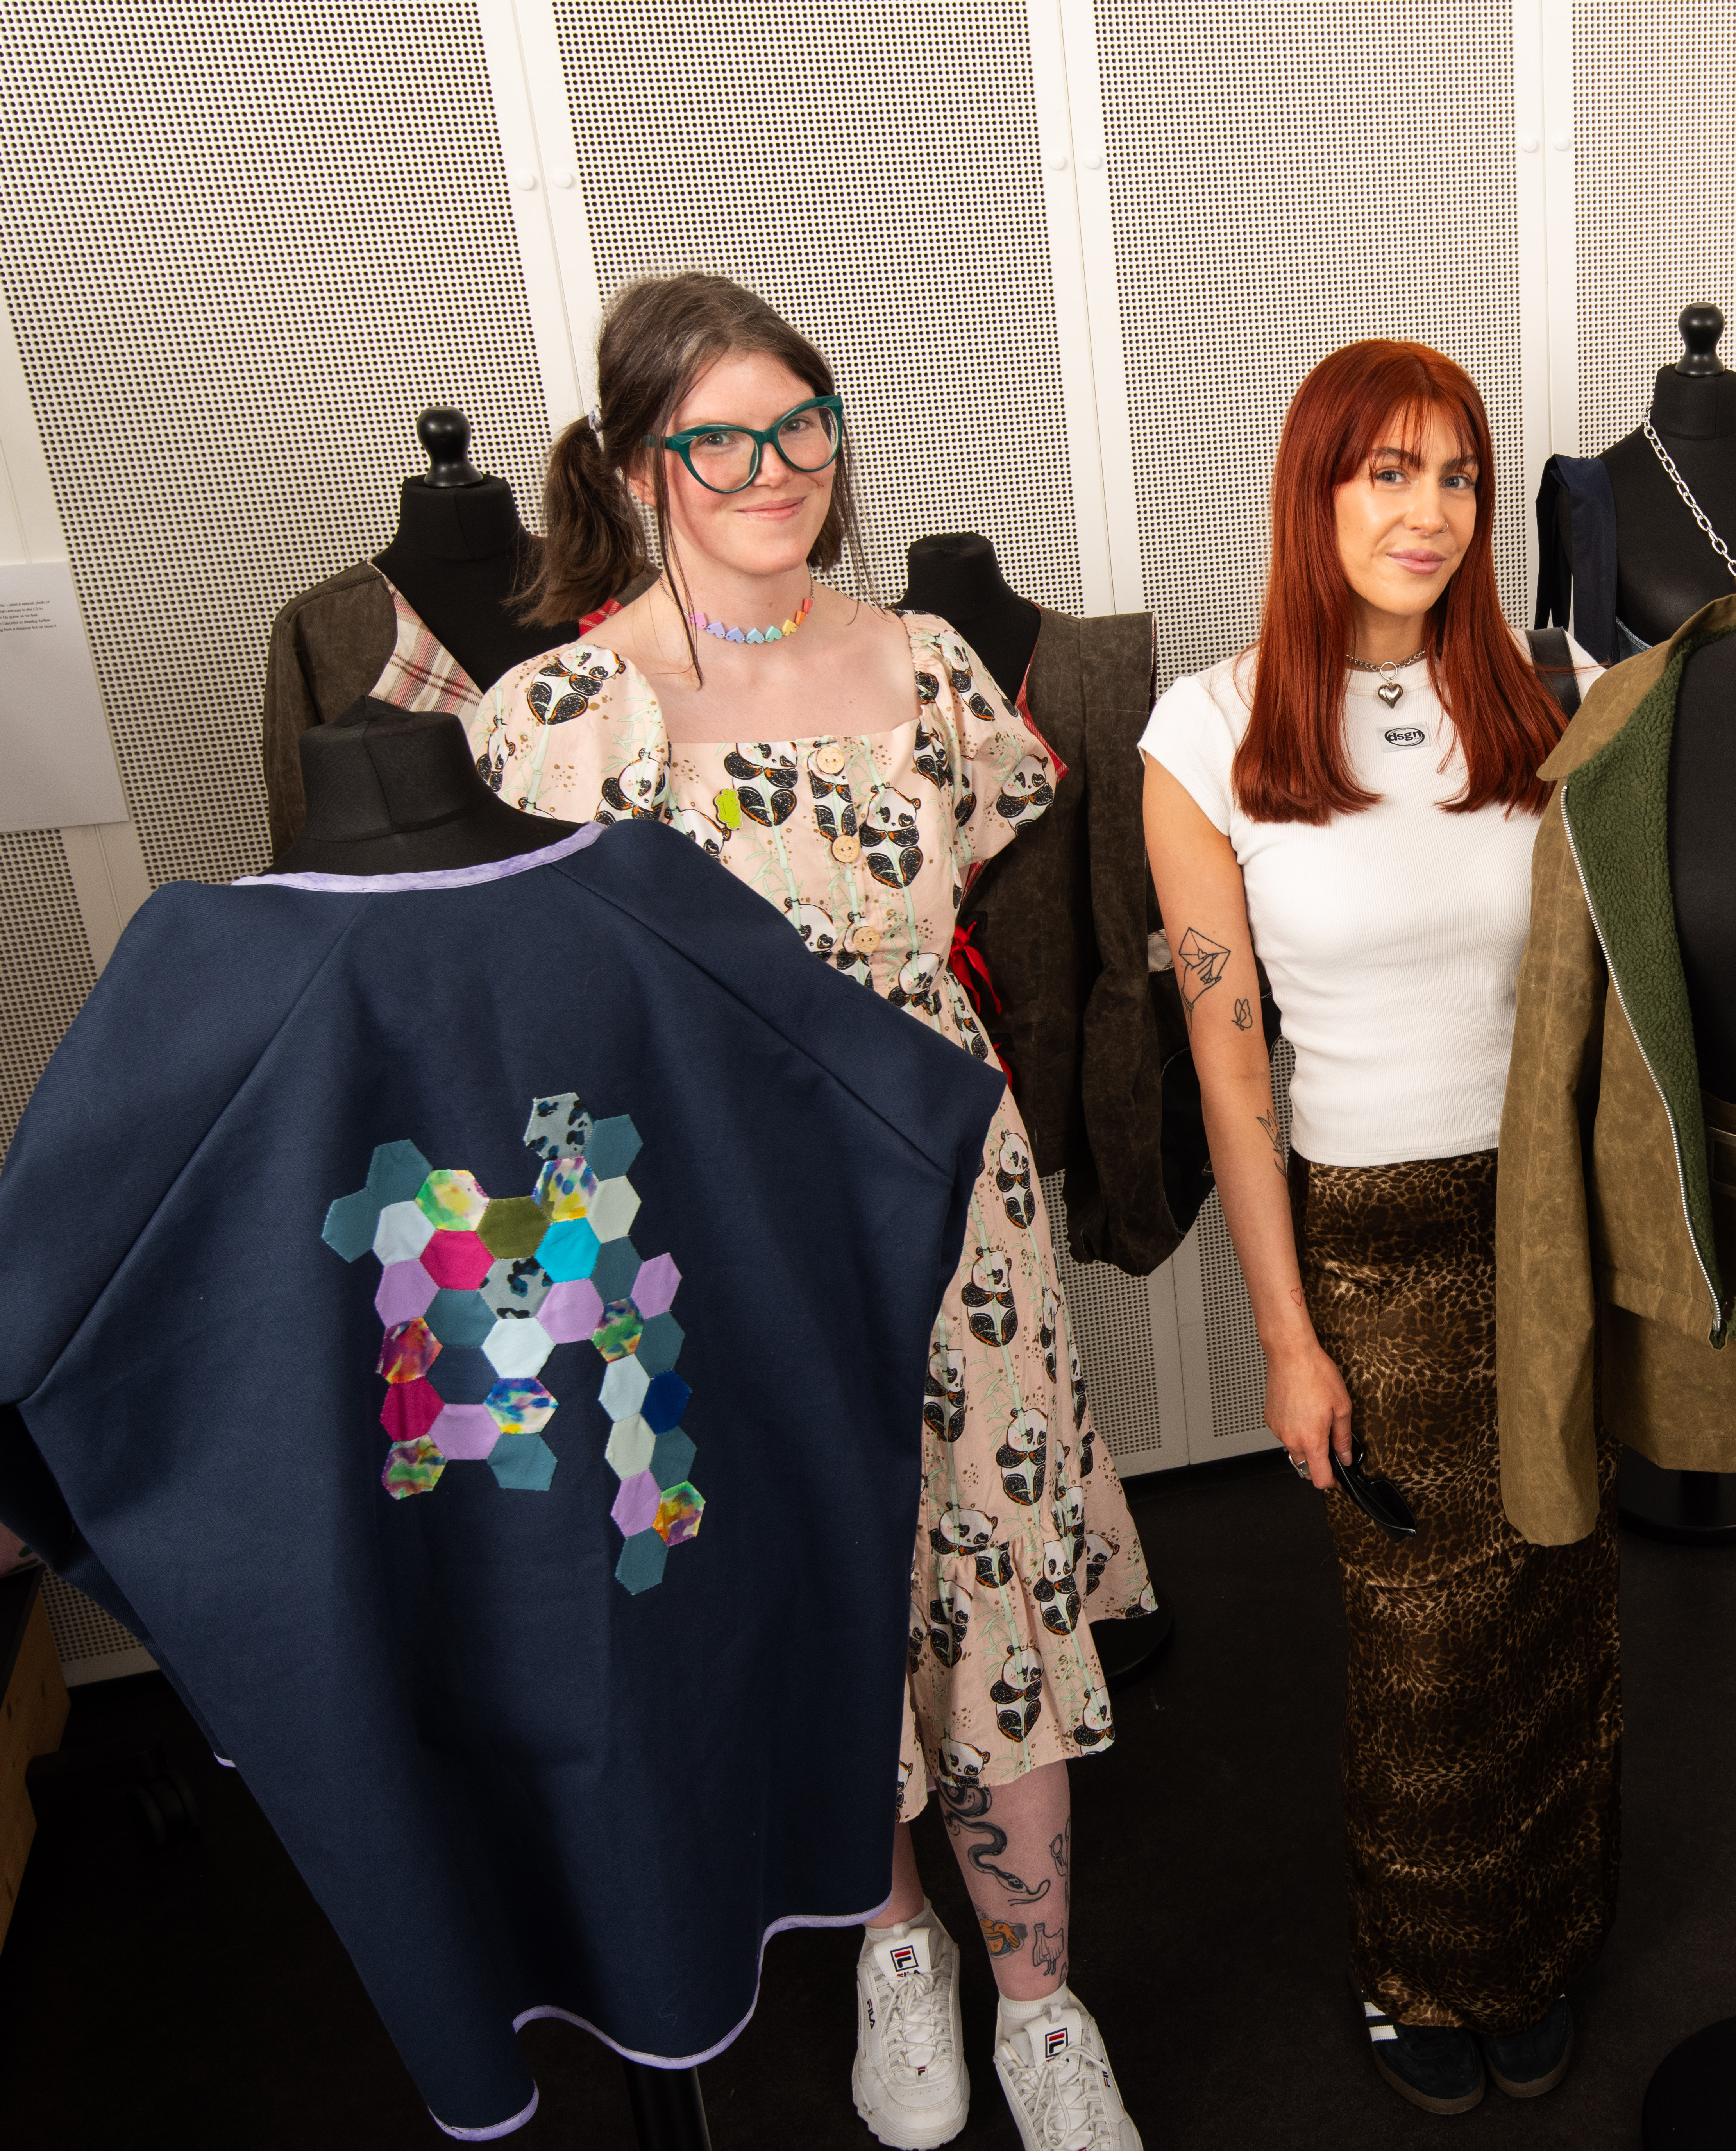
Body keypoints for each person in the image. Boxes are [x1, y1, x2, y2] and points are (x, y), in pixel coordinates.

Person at [466, 272, 1151, 2151]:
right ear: (636, 468)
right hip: (723, 1218)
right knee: (825, 1585)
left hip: (950, 1192)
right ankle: (896, 1941)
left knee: (991, 1570)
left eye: (800, 423)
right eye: (718, 436)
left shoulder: (929, 660)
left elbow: (967, 908)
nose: (771, 466)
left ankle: (1040, 1993)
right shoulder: (563, 715)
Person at [1137, 340, 1616, 2118]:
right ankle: (1427, 1964)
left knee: (1561, 1585)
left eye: (1460, 476)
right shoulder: (1210, 729)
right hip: (1376, 1228)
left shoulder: (1545, 699)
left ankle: (1545, 1935)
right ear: (1316, 491)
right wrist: (1285, 1328)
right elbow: (1225, 1044)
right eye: (1387, 473)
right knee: (1422, 1632)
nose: (1429, 512)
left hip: (1548, 1216)